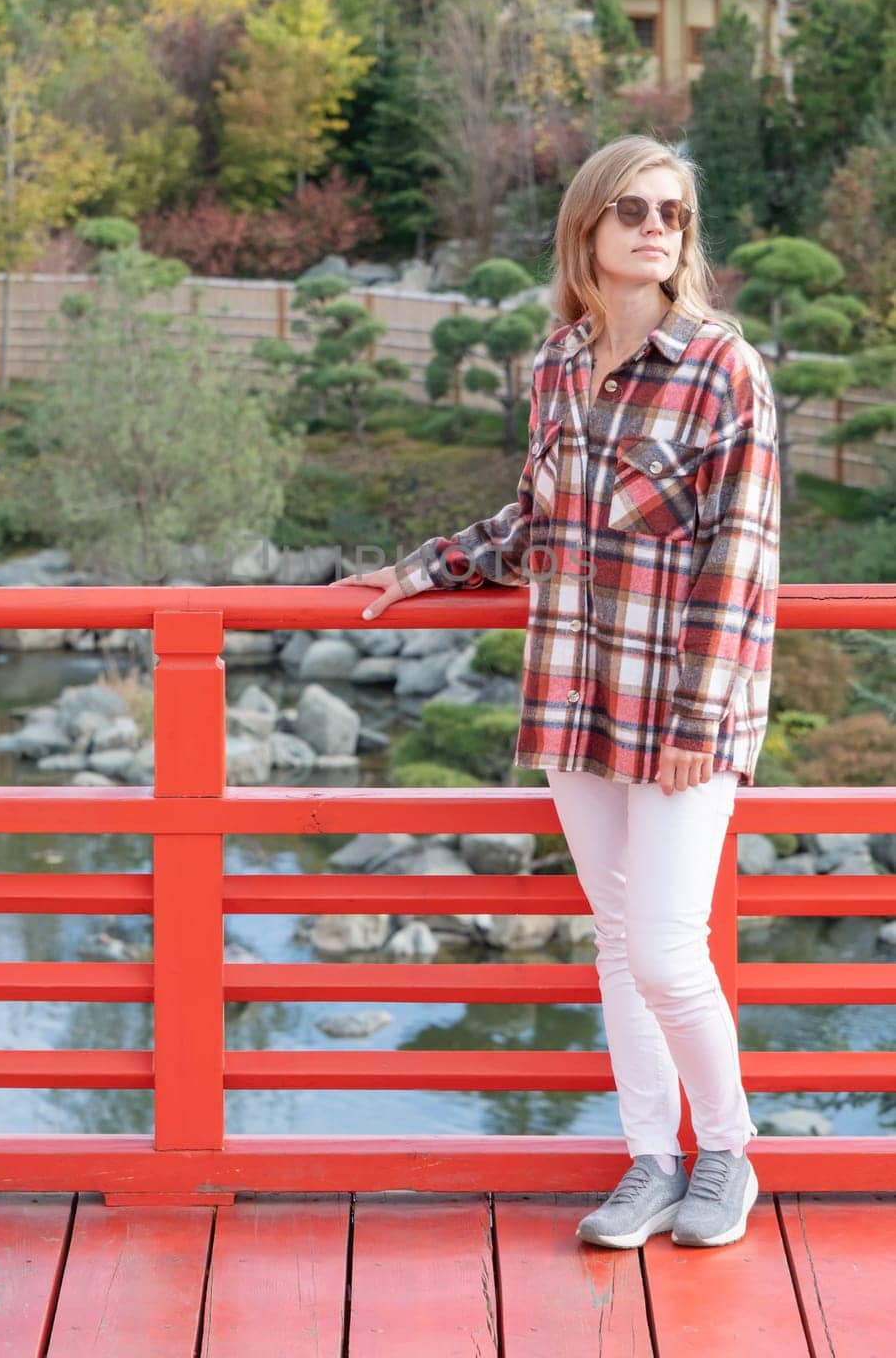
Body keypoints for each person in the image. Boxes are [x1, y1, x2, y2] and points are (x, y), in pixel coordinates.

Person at [330, 134, 781, 1251]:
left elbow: (742, 555)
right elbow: (539, 520)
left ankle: (726, 1152)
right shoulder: (553, 364)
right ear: (585, 227)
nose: (653, 229)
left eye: (671, 212)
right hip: (577, 694)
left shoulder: (723, 367)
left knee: (671, 947)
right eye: (629, 209)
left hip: (682, 706)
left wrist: (696, 716)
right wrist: (416, 570)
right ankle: (648, 1160)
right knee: (619, 940)